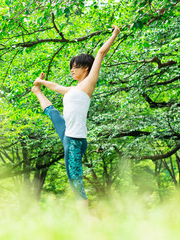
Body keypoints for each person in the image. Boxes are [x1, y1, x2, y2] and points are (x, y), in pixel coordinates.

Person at [31, 25, 121, 207]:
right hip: (67, 133)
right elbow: (56, 87)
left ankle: (86, 217)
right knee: (53, 113)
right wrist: (40, 82)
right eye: (71, 67)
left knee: (75, 179)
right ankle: (36, 92)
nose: (72, 70)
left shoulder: (89, 82)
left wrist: (114, 34)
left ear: (86, 68)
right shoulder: (72, 89)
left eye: (75, 67)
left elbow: (101, 53)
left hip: (74, 139)